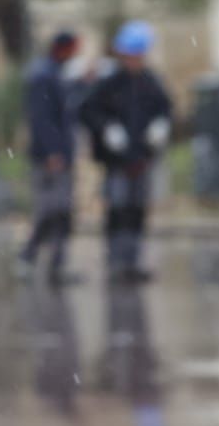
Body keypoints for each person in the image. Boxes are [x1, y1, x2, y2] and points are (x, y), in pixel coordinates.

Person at [79, 20, 174, 283]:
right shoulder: (109, 83)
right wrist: (106, 128)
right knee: (117, 210)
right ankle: (115, 262)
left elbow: (165, 108)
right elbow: (87, 110)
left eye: (139, 55)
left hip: (142, 158)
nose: (135, 60)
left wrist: (161, 125)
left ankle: (133, 261)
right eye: (131, 55)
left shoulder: (151, 81)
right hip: (117, 161)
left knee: (137, 211)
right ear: (122, 54)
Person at [18, 31, 82, 285]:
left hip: (59, 155)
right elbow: (42, 119)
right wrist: (53, 151)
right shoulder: (44, 77)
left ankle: (54, 263)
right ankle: (31, 256)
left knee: (60, 212)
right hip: (50, 158)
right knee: (53, 210)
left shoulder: (53, 74)